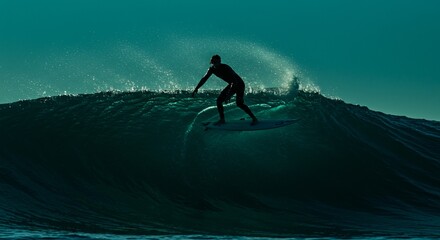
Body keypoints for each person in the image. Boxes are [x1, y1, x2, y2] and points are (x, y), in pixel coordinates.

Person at [192, 55, 258, 125]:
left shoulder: (225, 67)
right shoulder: (212, 69)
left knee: (239, 103)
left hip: (239, 84)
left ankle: (254, 118)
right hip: (231, 84)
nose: (214, 63)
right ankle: (222, 120)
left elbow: (234, 81)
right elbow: (204, 78)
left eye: (216, 62)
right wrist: (196, 88)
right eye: (213, 62)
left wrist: (229, 95)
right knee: (219, 101)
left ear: (219, 62)